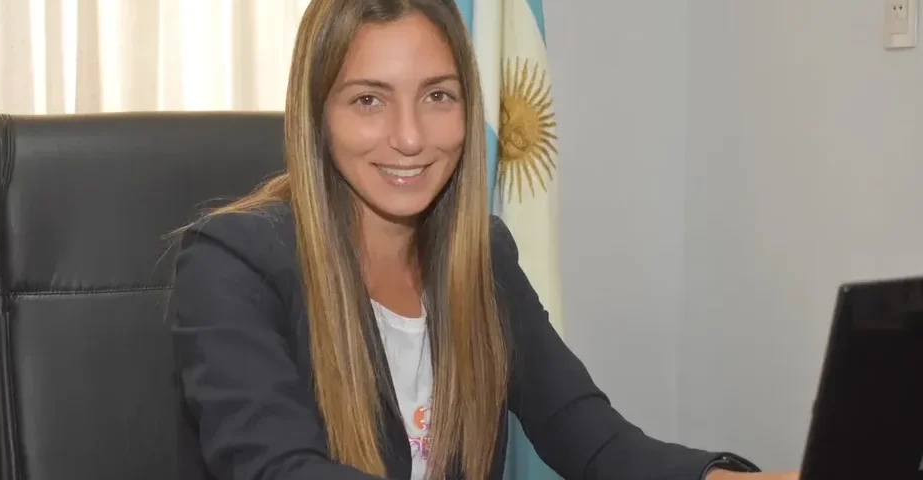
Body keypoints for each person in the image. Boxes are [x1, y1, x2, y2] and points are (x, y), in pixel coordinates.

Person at [170, 0, 801, 479]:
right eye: (368, 101)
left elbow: (596, 441)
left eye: (438, 96)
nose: (411, 137)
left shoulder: (484, 256)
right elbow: (280, 469)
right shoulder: (231, 264)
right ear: (317, 118)